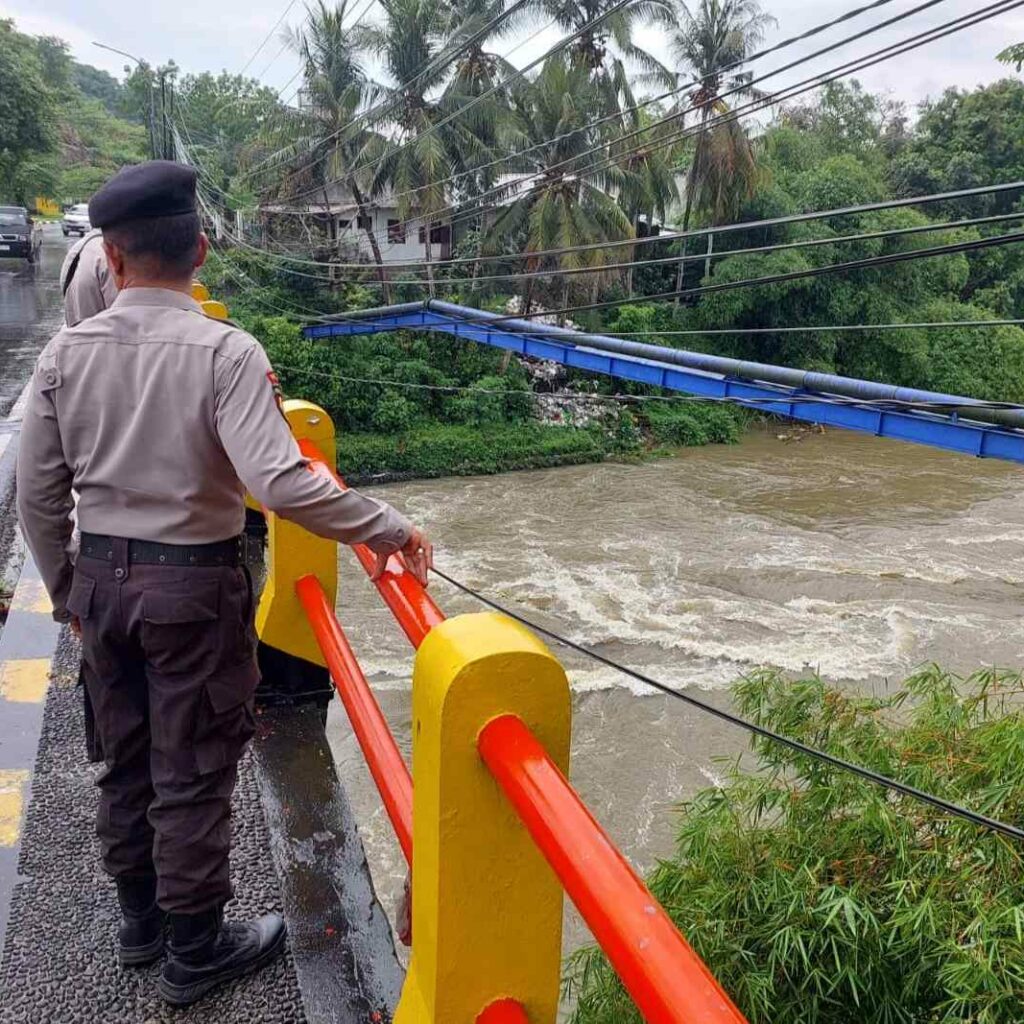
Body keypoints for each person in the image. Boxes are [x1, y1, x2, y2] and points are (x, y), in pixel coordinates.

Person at [16, 161, 433, 1007]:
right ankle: (196, 948)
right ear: (200, 251)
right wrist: (385, 525)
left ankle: (140, 925)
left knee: (124, 760)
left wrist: (67, 591)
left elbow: (36, 494)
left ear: (113, 260)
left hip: (100, 580)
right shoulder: (227, 351)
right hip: (194, 593)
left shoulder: (64, 352)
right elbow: (280, 483)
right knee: (195, 770)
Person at [60, 227, 118, 326]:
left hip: (76, 332)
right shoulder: (110, 254)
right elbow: (121, 315)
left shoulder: (81, 246)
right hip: (103, 335)